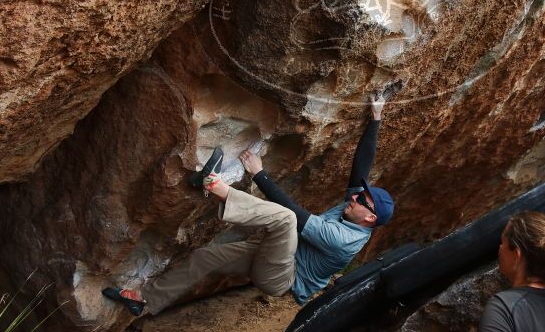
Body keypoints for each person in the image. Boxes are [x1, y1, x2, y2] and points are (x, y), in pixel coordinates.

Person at [103, 94, 393, 315]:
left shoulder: (345, 239)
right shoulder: (352, 214)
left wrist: (259, 174)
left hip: (282, 277)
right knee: (204, 256)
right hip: (271, 256)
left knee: (286, 219)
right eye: (359, 195)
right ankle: (144, 300)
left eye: (361, 200)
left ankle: (213, 185)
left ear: (369, 219)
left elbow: (296, 215)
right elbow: (361, 168)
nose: (354, 197)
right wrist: (376, 118)